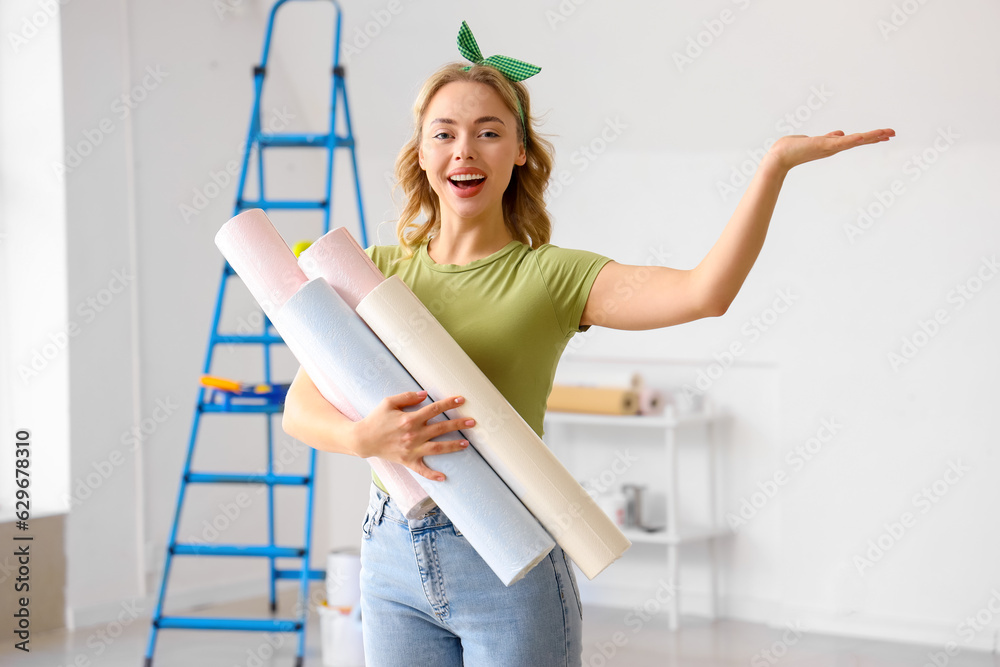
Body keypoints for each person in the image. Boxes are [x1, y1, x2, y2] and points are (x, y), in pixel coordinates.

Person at [281, 20, 895, 667]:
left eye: (490, 131)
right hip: (392, 558)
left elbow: (704, 292)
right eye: (446, 133)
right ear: (423, 152)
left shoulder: (551, 277)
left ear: (519, 151)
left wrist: (773, 166)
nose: (466, 150)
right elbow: (301, 407)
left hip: (508, 557)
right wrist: (365, 438)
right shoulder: (371, 273)